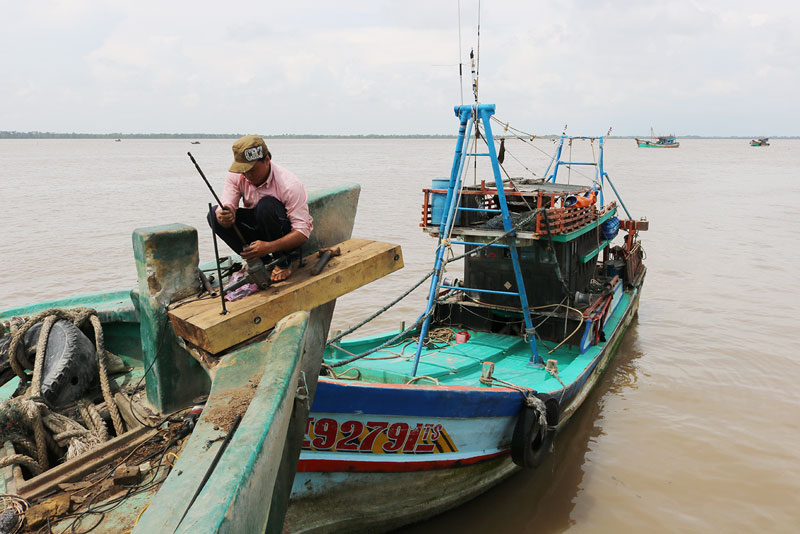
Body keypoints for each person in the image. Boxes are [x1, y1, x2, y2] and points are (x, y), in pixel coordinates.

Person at [207, 135, 313, 282]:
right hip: (258, 228)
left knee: (266, 206)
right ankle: (259, 261)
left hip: (282, 232)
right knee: (214, 214)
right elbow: (228, 204)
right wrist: (225, 217)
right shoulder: (236, 176)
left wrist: (269, 247)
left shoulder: (289, 184)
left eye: (252, 170)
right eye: (243, 171)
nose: (247, 175)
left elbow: (302, 232)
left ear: (267, 161)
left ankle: (283, 262)